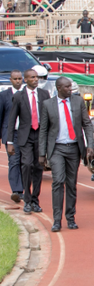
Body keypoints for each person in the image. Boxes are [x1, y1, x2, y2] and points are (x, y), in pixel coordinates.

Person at [38, 77, 93, 232]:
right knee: (58, 182)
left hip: (74, 149)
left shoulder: (78, 102)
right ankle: (56, 220)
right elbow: (43, 130)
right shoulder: (48, 105)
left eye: (71, 87)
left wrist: (90, 145)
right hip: (57, 149)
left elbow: (87, 124)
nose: (71, 89)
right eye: (67, 87)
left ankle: (70, 218)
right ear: (59, 88)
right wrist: (42, 153)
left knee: (71, 184)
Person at [3, 69, 51, 214]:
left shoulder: (44, 94)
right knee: (27, 165)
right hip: (25, 136)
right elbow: (12, 120)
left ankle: (35, 200)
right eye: (32, 77)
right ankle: (27, 200)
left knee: (38, 167)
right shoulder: (18, 96)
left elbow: (48, 117)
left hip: (40, 135)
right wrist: (10, 141)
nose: (36, 79)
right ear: (25, 79)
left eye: (37, 77)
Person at [1, 70, 25, 203]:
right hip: (11, 134)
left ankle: (23, 187)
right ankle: (17, 191)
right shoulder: (4, 96)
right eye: (15, 79)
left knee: (25, 162)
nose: (17, 81)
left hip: (25, 134)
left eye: (19, 78)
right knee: (14, 161)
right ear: (10, 80)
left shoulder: (26, 95)